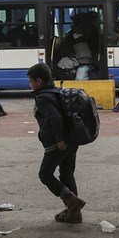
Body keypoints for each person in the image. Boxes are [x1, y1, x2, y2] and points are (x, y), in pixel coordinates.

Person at [27, 63, 86, 223]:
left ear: (39, 81)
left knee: (45, 174)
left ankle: (71, 201)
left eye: (31, 81)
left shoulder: (42, 98)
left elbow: (55, 118)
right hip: (72, 140)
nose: (30, 85)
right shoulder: (56, 92)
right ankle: (74, 214)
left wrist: (59, 140)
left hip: (58, 143)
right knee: (67, 174)